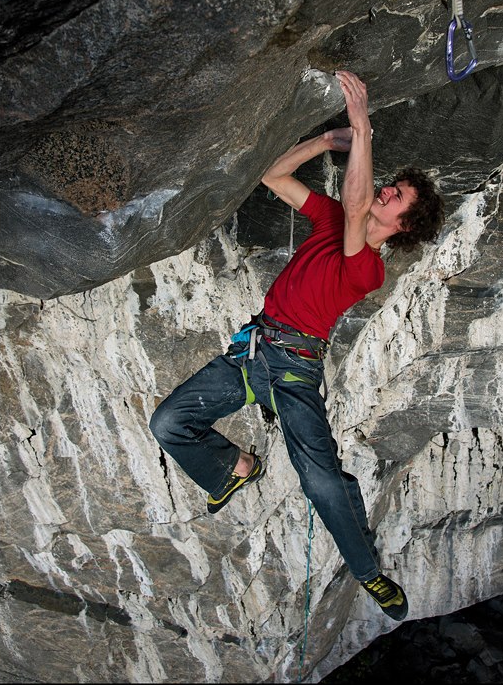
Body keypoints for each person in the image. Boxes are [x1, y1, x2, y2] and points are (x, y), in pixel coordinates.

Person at [149, 70, 445, 621]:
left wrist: (361, 127)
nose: (387, 190)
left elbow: (357, 210)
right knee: (167, 423)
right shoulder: (332, 217)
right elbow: (272, 174)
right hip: (252, 350)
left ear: (403, 225)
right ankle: (235, 468)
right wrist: (328, 141)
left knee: (320, 481)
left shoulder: (369, 268)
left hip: (294, 369)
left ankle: (368, 573)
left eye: (396, 196)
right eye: (391, 185)